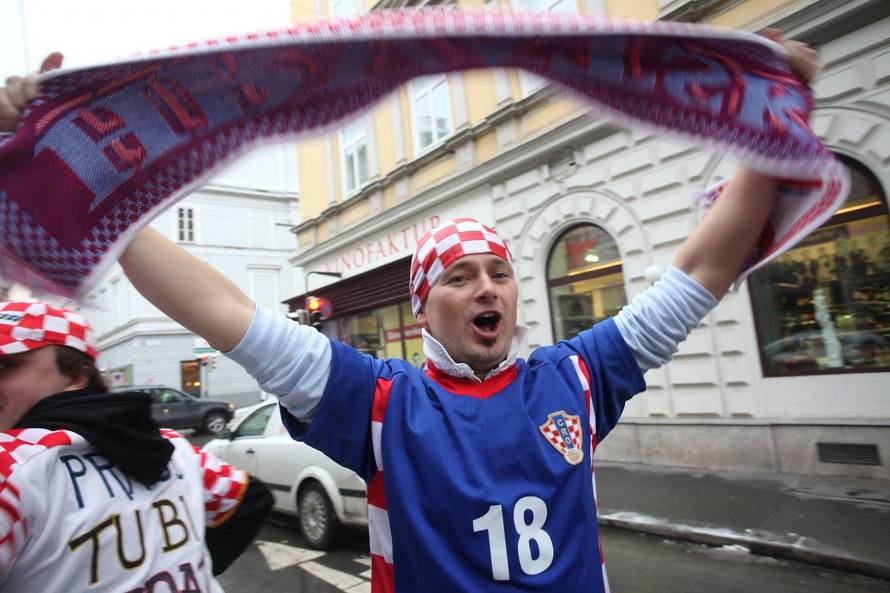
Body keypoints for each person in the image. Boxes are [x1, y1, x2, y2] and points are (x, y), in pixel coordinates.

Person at [1, 31, 819, 592]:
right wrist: (88, 193)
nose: (488, 287)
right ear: (424, 305)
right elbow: (223, 312)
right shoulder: (382, 402)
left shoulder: (575, 374)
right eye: (461, 276)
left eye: (499, 272)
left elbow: (703, 270)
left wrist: (778, 118)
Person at [0, 300, 273, 592]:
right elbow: (248, 497)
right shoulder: (173, 447)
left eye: (6, 365)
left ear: (76, 377)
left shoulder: (13, 465)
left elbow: (251, 498)